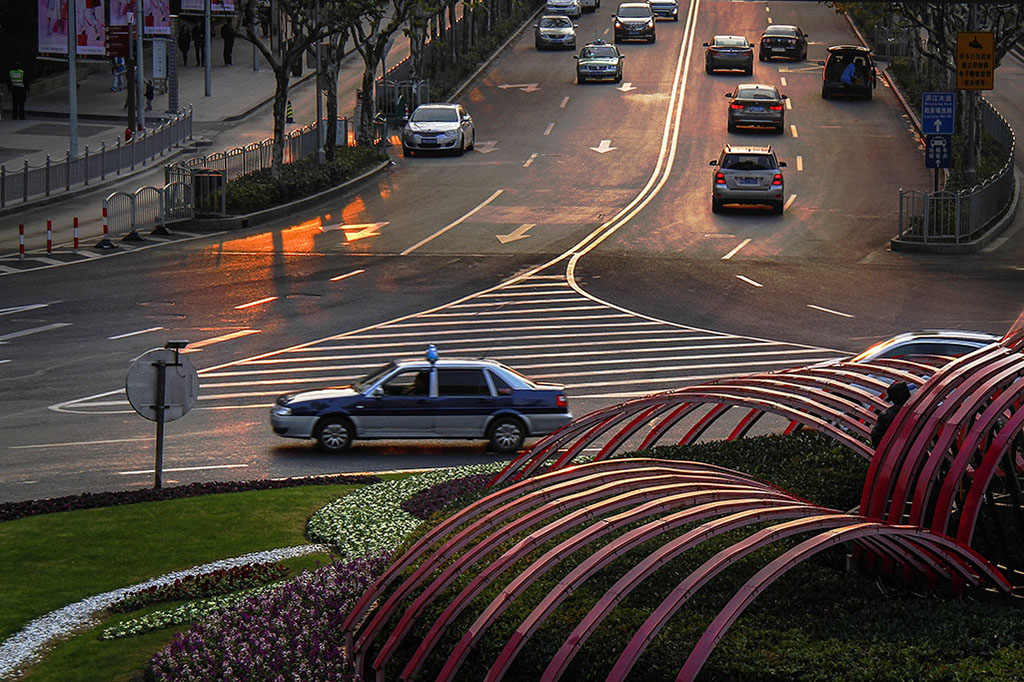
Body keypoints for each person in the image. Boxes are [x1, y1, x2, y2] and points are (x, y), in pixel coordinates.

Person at [871, 381, 911, 448]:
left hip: (898, 451)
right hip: (920, 449)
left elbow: (875, 436)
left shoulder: (885, 415)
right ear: (907, 394)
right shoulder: (916, 408)